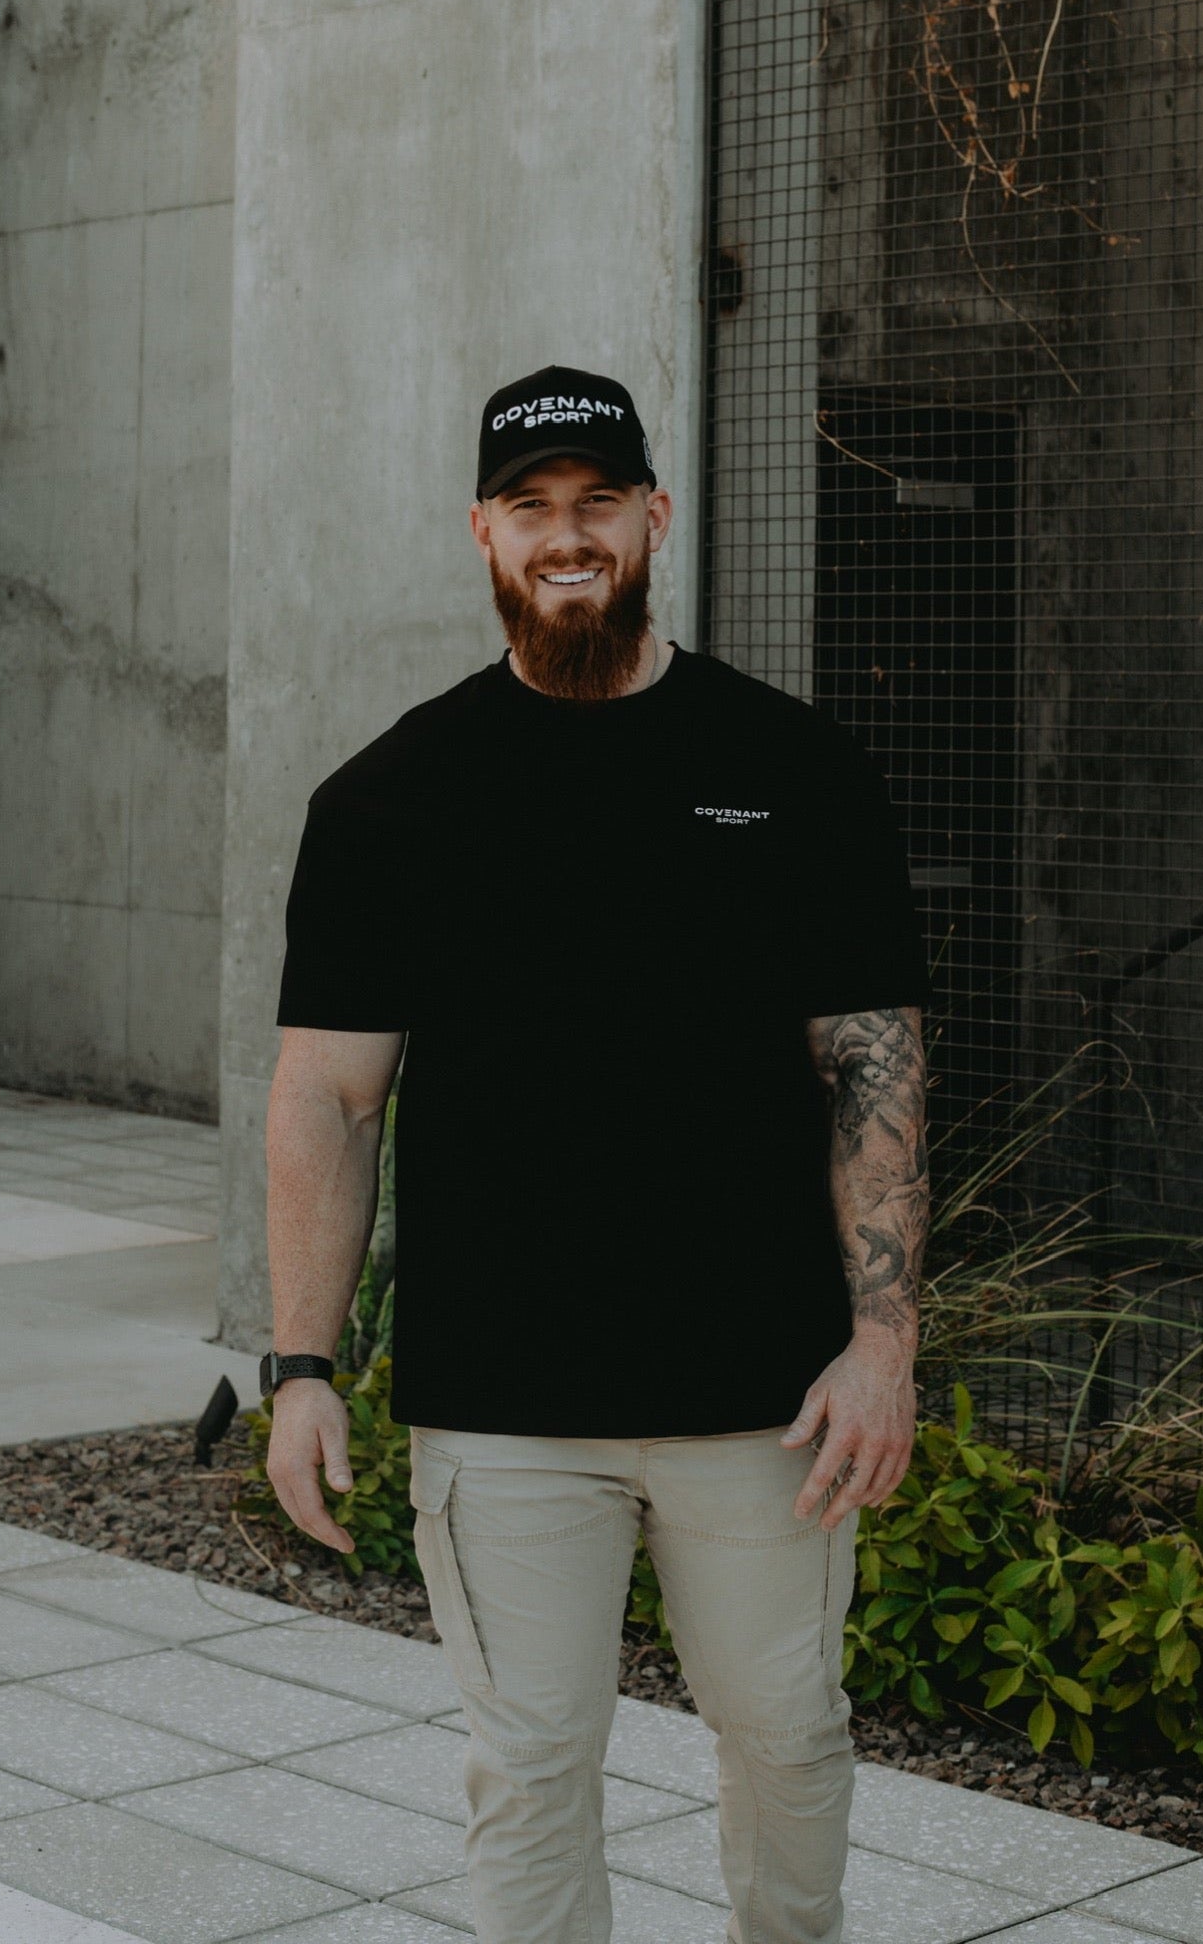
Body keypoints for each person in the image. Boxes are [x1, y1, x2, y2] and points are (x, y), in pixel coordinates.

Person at [263, 365, 931, 1944]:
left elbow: (874, 1064)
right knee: (534, 1760)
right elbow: (327, 1099)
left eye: (599, 504)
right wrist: (300, 1360)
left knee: (788, 1737)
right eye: (534, 509)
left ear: (654, 518)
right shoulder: (390, 797)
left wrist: (884, 1338)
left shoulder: (794, 766)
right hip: (503, 1399)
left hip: (763, 1395)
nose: (571, 537)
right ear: (483, 533)